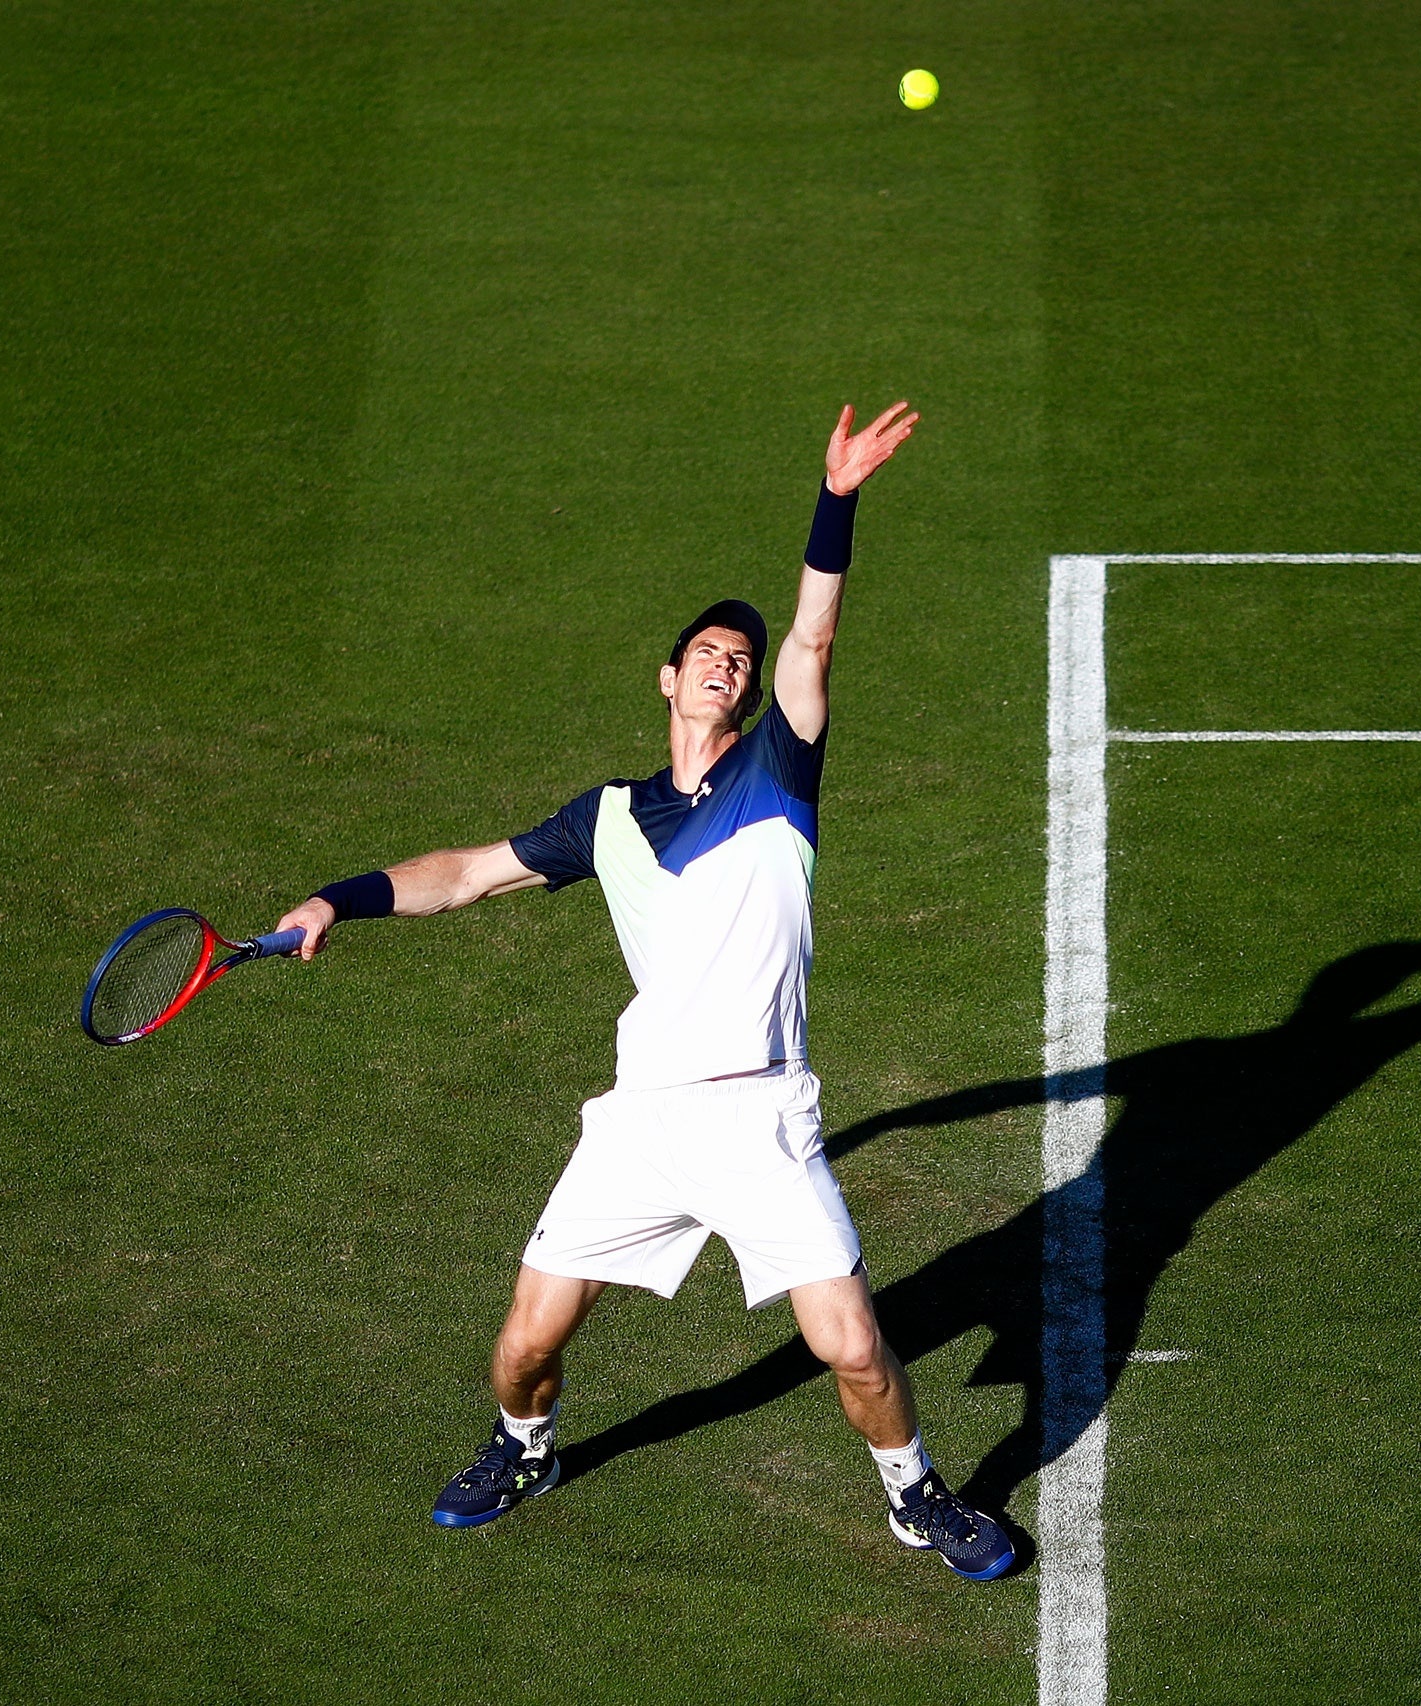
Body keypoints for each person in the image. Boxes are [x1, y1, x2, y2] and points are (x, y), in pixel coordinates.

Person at [269, 402, 1014, 1580]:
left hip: (759, 1113)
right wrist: (333, 900)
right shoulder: (604, 817)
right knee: (524, 1344)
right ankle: (525, 1450)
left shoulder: (781, 766)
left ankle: (916, 1495)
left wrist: (838, 499)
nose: (731, 664)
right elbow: (463, 874)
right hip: (642, 1119)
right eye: (710, 653)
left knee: (855, 1348)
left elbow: (813, 643)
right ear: (669, 677)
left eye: (743, 660)